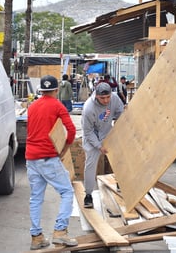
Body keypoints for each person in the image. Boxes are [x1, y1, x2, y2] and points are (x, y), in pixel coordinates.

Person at [25, 75, 78, 250]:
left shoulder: (32, 107)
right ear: (56, 90)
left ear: (41, 90)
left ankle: (36, 236)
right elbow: (71, 130)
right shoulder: (57, 105)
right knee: (67, 192)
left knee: (36, 198)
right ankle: (60, 231)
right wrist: (65, 148)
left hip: (31, 158)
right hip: (48, 157)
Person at [81, 82, 124, 208]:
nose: (106, 101)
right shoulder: (88, 108)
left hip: (107, 133)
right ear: (96, 96)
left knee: (120, 159)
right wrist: (99, 146)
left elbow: (120, 113)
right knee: (90, 165)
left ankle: (121, 184)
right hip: (92, 138)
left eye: (108, 97)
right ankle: (88, 195)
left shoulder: (114, 98)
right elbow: (87, 132)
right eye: (102, 98)